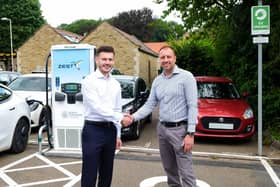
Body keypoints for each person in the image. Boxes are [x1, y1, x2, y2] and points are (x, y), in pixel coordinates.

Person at [130, 45, 198, 187]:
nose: (166, 60)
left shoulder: (186, 77)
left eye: (168, 57)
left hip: (180, 130)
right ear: (159, 60)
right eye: (162, 57)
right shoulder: (157, 81)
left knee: (186, 172)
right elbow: (150, 104)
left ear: (174, 58)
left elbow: (193, 106)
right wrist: (132, 117)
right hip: (162, 130)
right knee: (169, 169)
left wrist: (190, 134)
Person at [81, 45, 132, 187]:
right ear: (97, 60)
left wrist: (118, 135)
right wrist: (121, 117)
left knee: (107, 172)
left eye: (110, 59)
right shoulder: (89, 81)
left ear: (114, 61)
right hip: (93, 130)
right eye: (104, 59)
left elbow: (117, 108)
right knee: (89, 172)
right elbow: (96, 107)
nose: (107, 62)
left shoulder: (116, 84)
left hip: (110, 131)